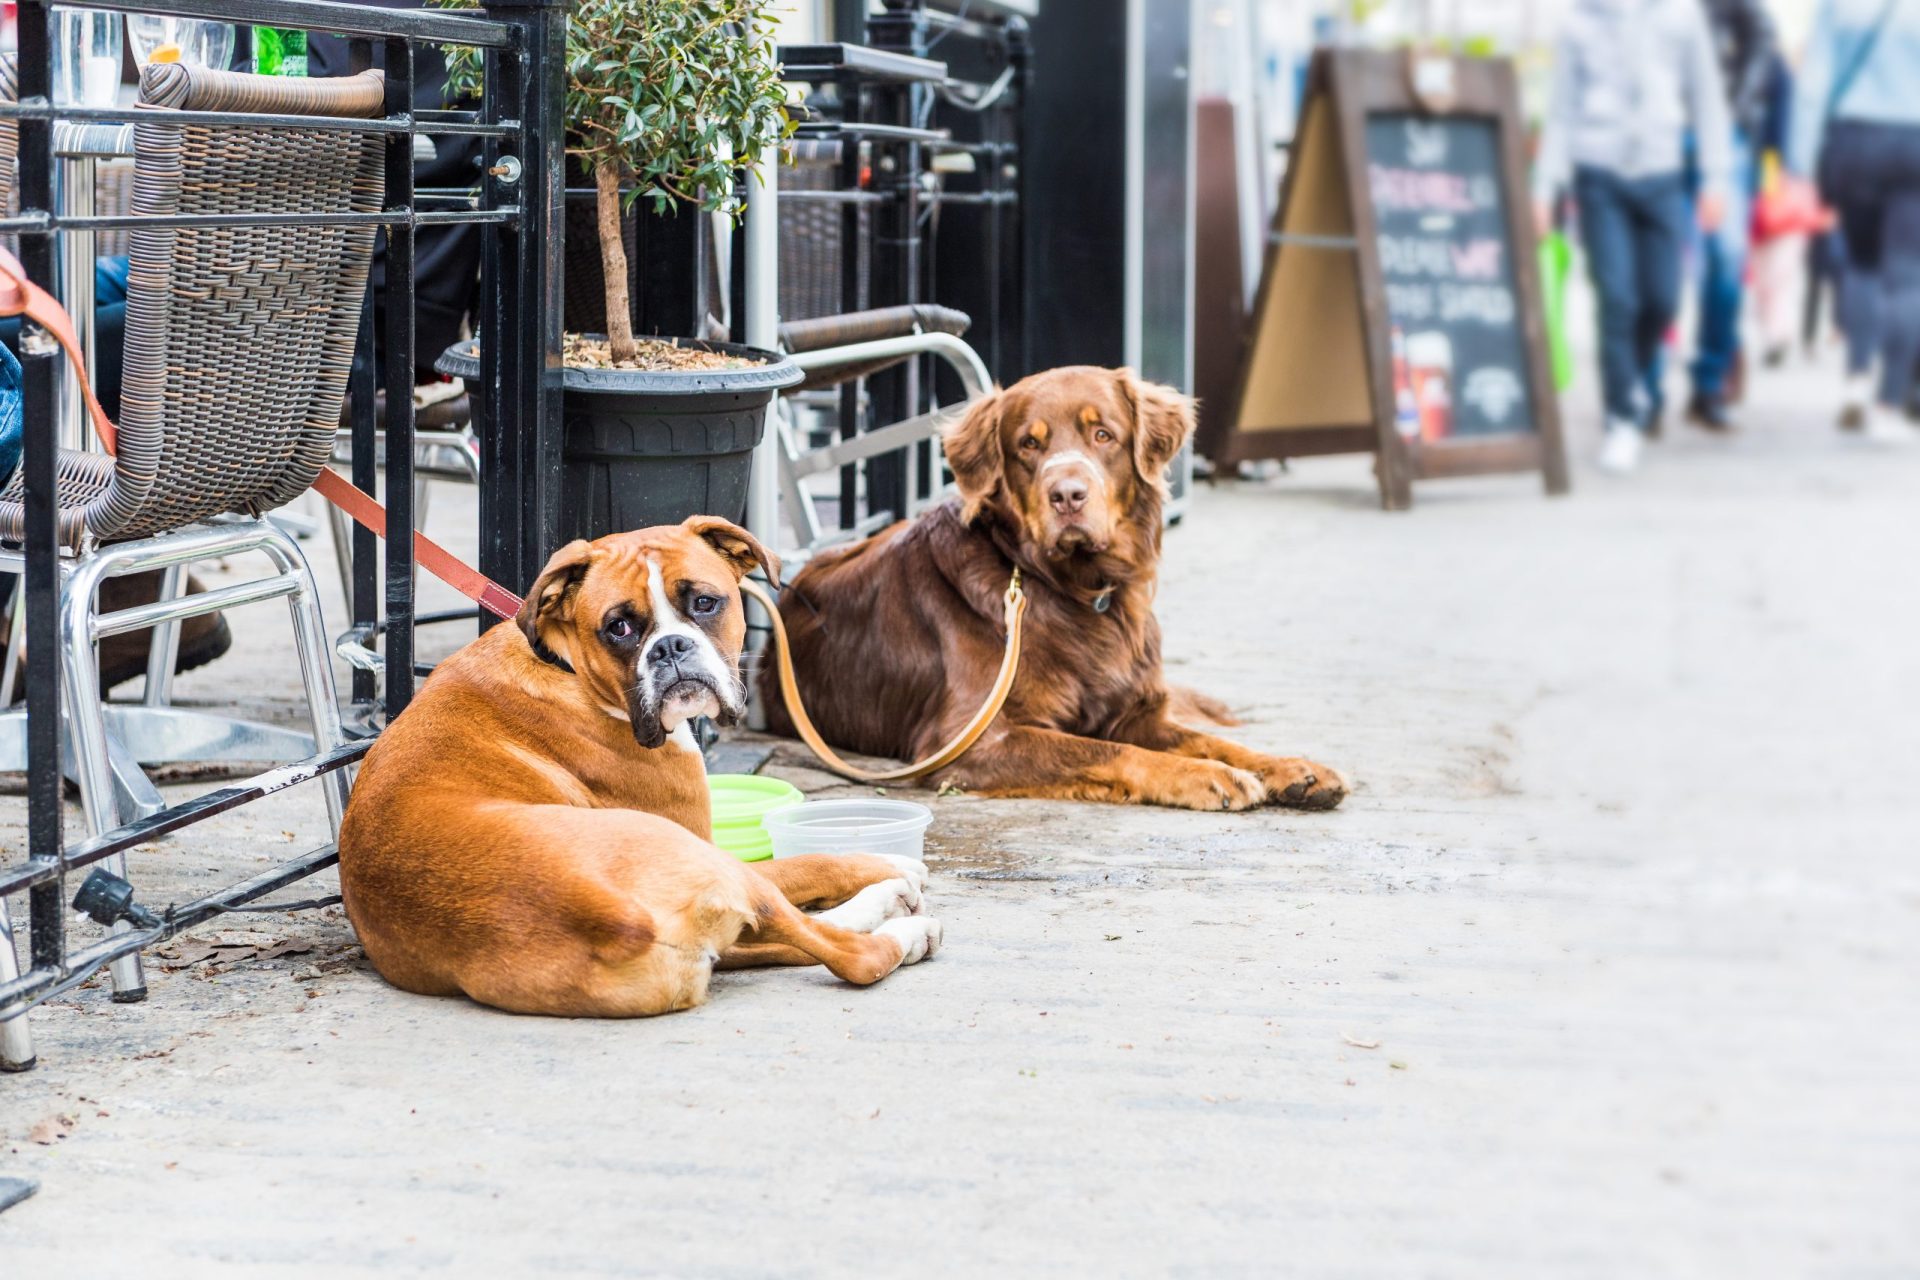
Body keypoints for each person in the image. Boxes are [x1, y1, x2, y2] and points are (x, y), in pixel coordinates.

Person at [1535, 0, 1733, 474]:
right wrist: (1544, 186)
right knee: (1617, 297)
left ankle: (1635, 382)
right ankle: (1621, 417)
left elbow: (1707, 99)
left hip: (1662, 170)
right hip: (1598, 171)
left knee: (1663, 299)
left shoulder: (1682, 15)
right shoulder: (1581, 19)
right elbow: (1561, 111)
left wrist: (1715, 177)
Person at [1790, 0, 1920, 444]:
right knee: (1907, 277)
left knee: (1861, 265)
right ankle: (1889, 403)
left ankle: (1856, 379)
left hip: (1854, 138)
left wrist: (1799, 166)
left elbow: (1812, 85)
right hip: (1914, 140)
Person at [1683, 0, 1777, 430]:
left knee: (1726, 259)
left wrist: (1738, 105)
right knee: (1656, 268)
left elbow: (1763, 31)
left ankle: (1710, 378)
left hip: (1723, 130)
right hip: (1655, 133)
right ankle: (1637, 391)